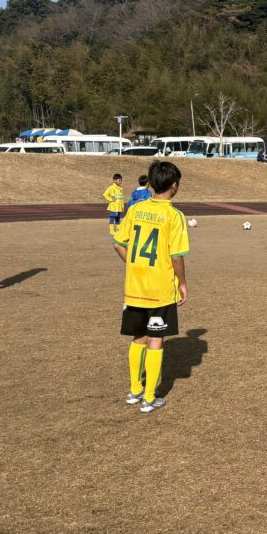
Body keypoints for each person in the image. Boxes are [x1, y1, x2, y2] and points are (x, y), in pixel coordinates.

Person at [113, 161, 189, 413]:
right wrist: (182, 283)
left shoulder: (136, 209)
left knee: (138, 338)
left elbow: (118, 243)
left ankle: (134, 390)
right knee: (156, 339)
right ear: (174, 185)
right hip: (159, 289)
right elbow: (176, 256)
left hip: (134, 286)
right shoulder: (174, 216)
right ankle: (149, 397)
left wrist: (135, 265)